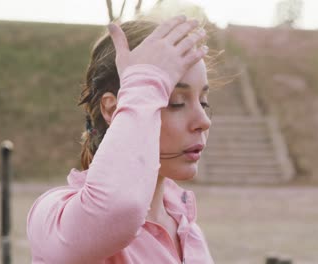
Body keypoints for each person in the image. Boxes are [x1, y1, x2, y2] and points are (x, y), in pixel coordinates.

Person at [27, 15, 215, 264]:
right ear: (111, 110)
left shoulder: (188, 228)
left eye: (203, 102)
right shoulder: (52, 219)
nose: (203, 121)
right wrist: (144, 84)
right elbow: (118, 208)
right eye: (175, 103)